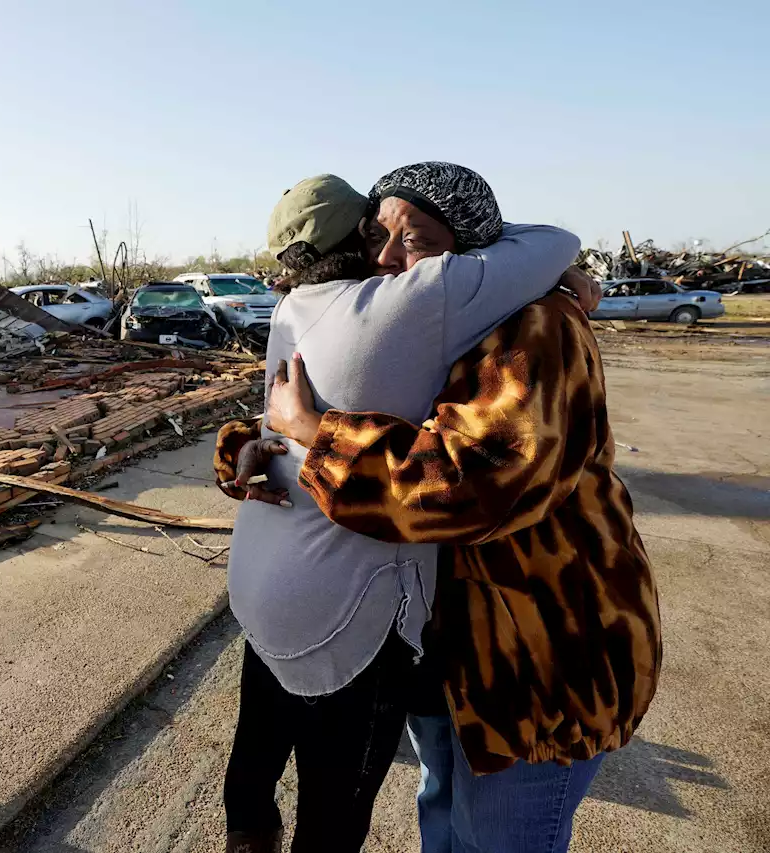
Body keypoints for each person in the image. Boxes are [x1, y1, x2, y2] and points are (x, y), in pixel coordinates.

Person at [218, 164, 661, 853]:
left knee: (496, 838)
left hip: (538, 659)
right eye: (378, 235)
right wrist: (254, 447)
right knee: (444, 820)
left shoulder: (539, 328)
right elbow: (363, 399)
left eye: (416, 241)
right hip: (451, 653)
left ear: (471, 248)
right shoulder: (416, 311)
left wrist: (315, 435)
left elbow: (471, 485)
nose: (388, 259)